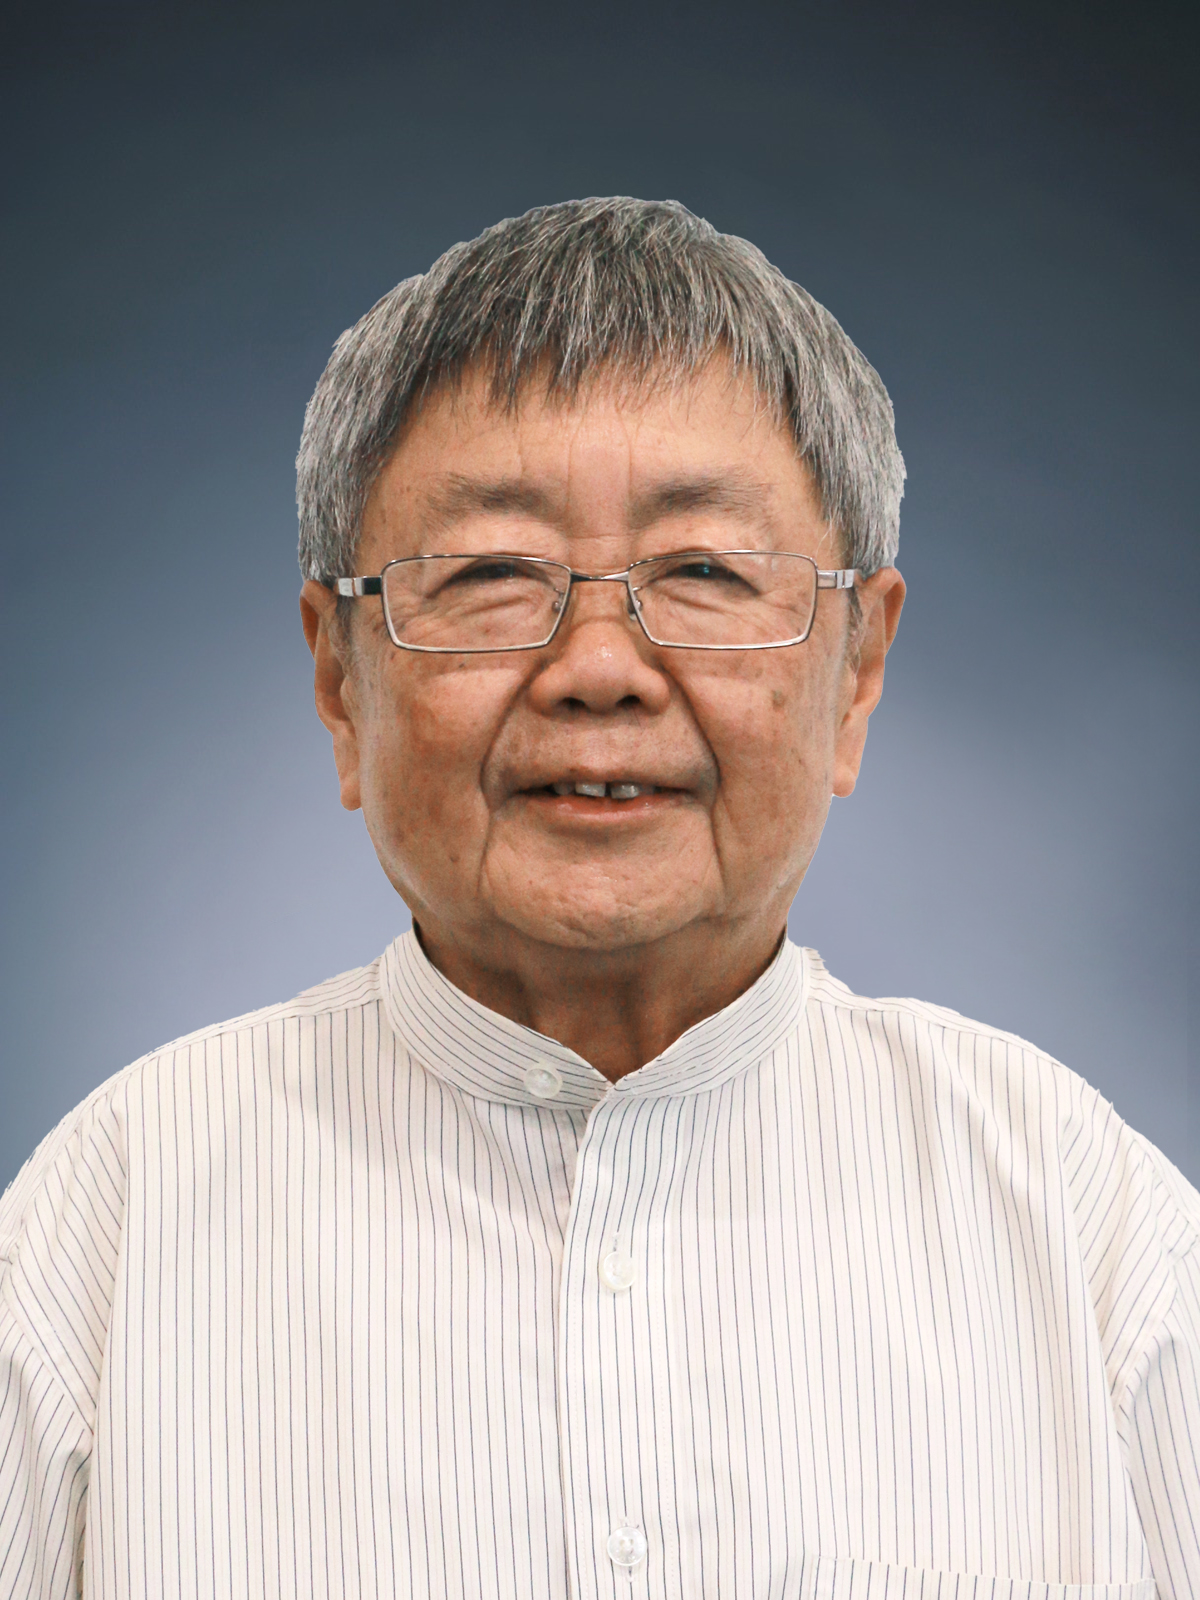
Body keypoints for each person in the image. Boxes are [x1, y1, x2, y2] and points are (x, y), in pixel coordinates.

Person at [0, 198, 1195, 1600]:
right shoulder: (111, 1222)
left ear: (858, 669)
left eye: (704, 572)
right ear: (339, 679)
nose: (600, 670)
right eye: (492, 575)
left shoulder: (1086, 1225)